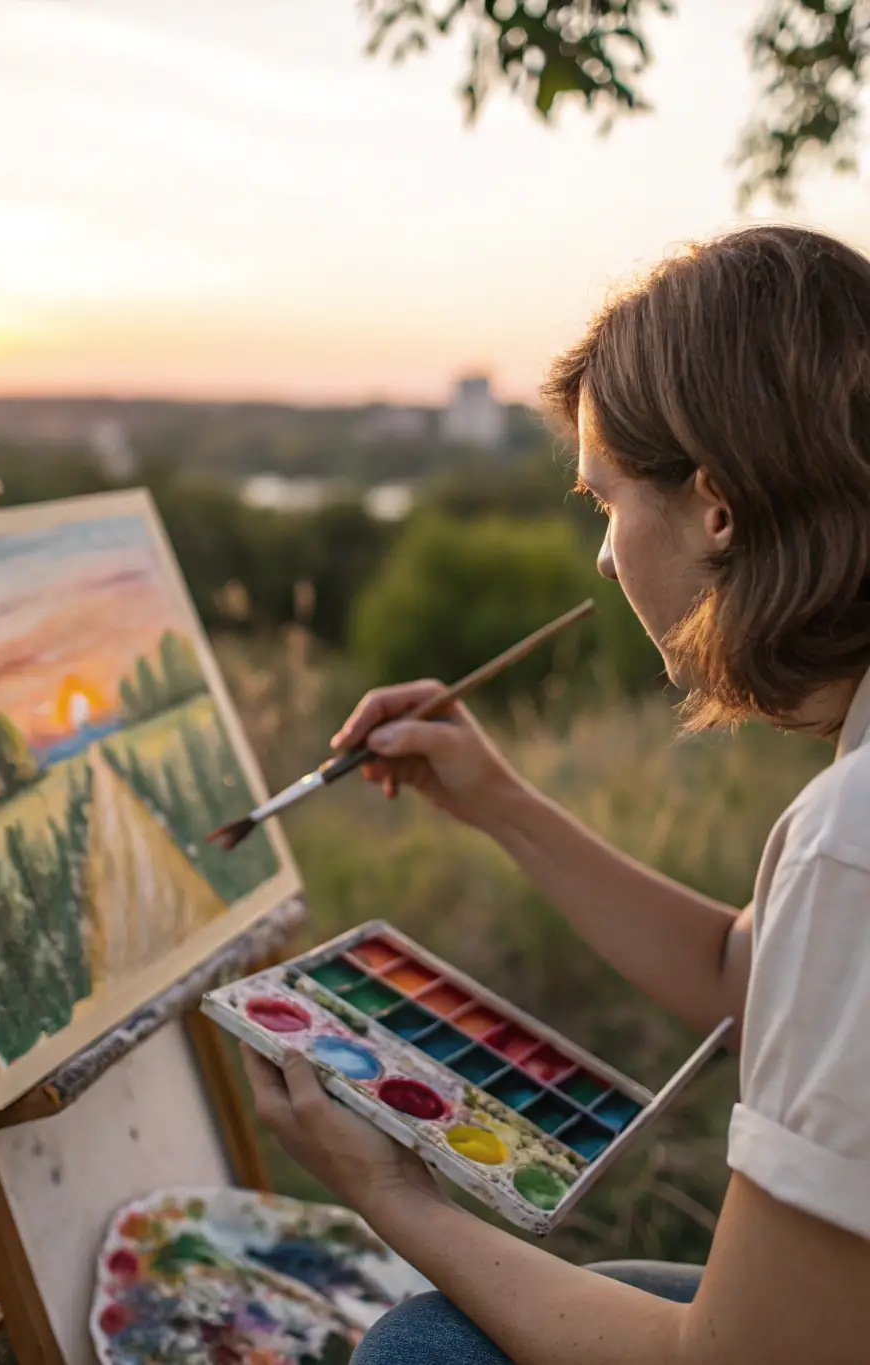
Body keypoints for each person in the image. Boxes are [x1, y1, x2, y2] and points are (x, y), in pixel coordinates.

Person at [240, 224, 870, 1365]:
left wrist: (396, 1199)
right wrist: (500, 801)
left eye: (602, 502)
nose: (600, 554)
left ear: (716, 506)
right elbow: (750, 976)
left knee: (423, 1347)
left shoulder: (853, 838)